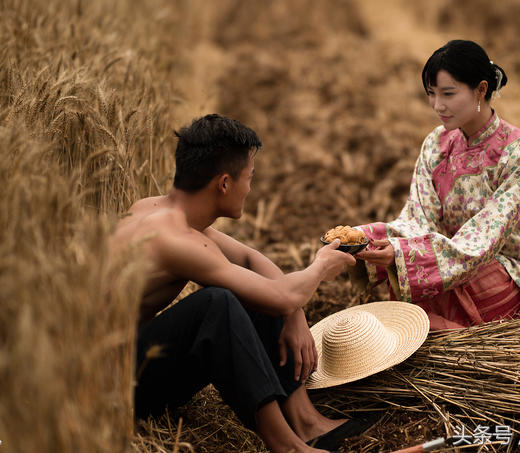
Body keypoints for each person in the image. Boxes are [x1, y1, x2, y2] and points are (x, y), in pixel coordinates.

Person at [110, 114, 370, 453]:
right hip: (112, 387)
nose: (249, 187)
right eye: (249, 177)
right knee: (217, 305)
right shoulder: (172, 238)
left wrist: (295, 316)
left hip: (134, 363)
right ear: (224, 183)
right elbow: (279, 296)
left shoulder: (155, 210)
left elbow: (250, 261)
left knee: (248, 286)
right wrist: (320, 267)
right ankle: (288, 447)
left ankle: (307, 423)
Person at [350, 40, 520, 336]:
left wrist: (401, 256)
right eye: (432, 94)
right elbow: (419, 221)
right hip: (460, 259)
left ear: (481, 90)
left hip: (519, 269)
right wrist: (364, 238)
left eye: (448, 94)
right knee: (423, 278)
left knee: (436, 282)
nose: (438, 106)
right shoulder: (436, 145)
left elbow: (484, 237)